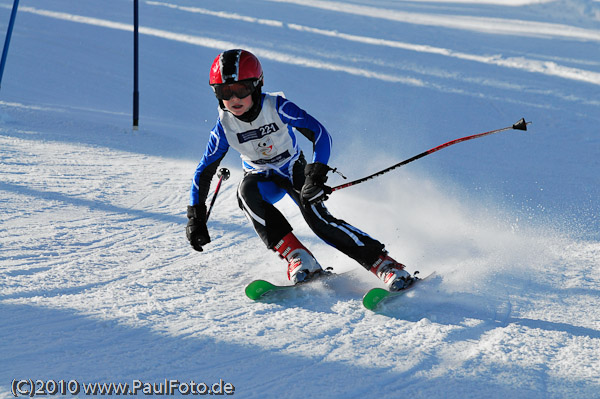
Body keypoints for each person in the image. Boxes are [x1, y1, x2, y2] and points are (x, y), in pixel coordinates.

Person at [186, 49, 415, 291]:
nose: (234, 98)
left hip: (292, 169)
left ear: (257, 85)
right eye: (225, 92)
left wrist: (316, 174)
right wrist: (196, 217)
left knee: (318, 219)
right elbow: (204, 171)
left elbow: (319, 133)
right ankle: (298, 257)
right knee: (246, 192)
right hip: (261, 178)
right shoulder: (224, 126)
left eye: (241, 89)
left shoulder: (276, 107)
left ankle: (384, 264)